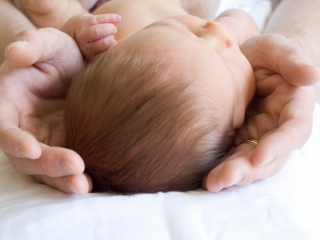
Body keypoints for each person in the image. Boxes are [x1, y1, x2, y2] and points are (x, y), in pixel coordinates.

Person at [0, 0, 319, 194]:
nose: (219, 34)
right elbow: (240, 20)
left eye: (192, 32)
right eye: (228, 59)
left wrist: (81, 32)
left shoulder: (104, 58)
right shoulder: (227, 46)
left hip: (99, 7)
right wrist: (237, 26)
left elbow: (72, 40)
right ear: (240, 117)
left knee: (53, 10)